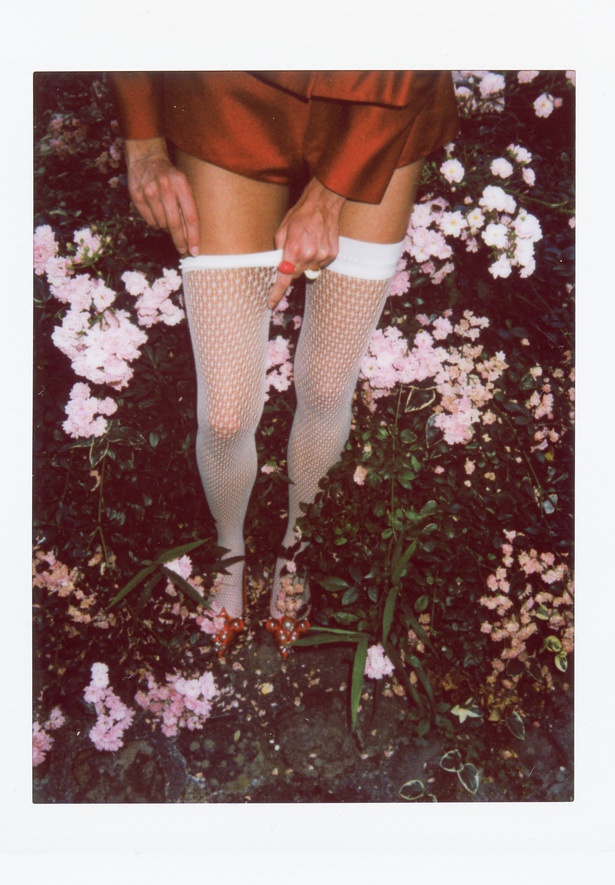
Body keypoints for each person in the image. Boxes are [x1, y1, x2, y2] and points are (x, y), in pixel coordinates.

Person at [109, 71, 459, 658]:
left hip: (377, 111)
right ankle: (229, 551)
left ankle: (296, 549)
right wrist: (143, 143)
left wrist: (330, 195)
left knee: (326, 386)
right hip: (228, 93)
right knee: (225, 415)